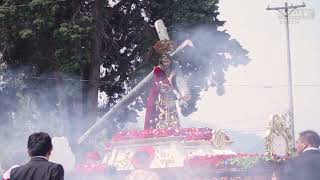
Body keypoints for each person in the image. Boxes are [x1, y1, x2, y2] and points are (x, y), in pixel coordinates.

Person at [144, 53, 191, 129]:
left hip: (170, 94)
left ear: (170, 61)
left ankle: (173, 128)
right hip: (160, 94)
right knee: (162, 112)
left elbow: (178, 81)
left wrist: (182, 94)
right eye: (164, 61)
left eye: (167, 61)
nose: (166, 63)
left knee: (172, 111)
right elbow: (161, 82)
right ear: (161, 62)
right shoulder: (158, 69)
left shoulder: (171, 69)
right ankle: (160, 128)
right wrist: (170, 78)